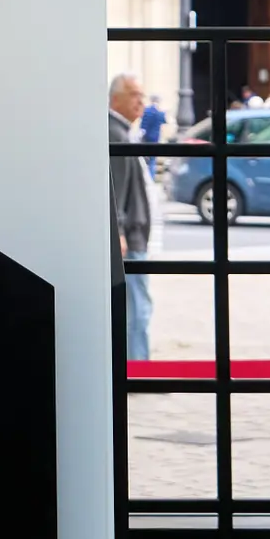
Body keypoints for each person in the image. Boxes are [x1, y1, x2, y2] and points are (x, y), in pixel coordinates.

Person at [109, 74, 156, 366]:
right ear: (116, 99)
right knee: (137, 305)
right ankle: (138, 366)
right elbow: (114, 188)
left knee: (137, 302)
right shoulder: (115, 133)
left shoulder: (123, 130)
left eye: (142, 95)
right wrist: (120, 232)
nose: (141, 101)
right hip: (131, 237)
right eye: (135, 94)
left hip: (133, 234)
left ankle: (137, 363)